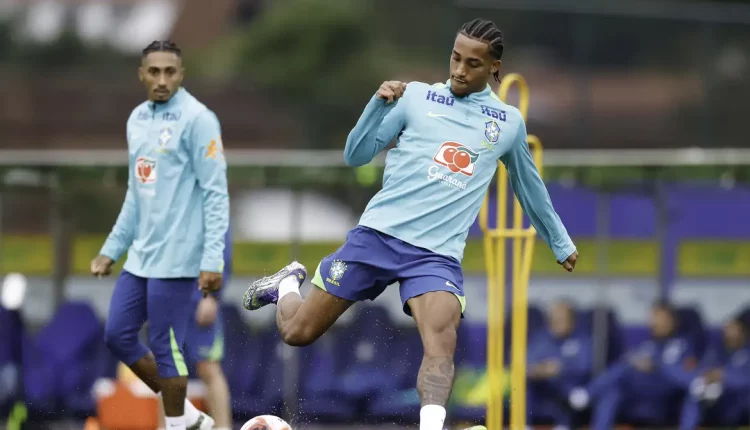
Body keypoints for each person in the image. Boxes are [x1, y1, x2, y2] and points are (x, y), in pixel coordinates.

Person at [242, 18, 577, 430]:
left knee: (441, 344)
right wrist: (376, 105)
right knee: (297, 332)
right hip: (377, 238)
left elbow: (529, 187)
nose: (459, 70)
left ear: (494, 67)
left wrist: (560, 242)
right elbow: (355, 154)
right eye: (455, 58)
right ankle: (286, 285)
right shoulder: (415, 97)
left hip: (435, 257)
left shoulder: (506, 123)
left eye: (472, 63)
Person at [90, 40, 229, 430]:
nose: (162, 79)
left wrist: (212, 260)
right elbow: (136, 194)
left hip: (179, 257)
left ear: (181, 74)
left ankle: (177, 424)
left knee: (166, 349)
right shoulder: (136, 119)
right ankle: (189, 417)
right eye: (154, 71)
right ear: (142, 75)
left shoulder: (199, 119)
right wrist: (112, 249)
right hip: (141, 257)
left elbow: (216, 194)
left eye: (170, 71)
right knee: (118, 335)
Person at [569, 302, 698, 429]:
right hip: (641, 393)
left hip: (669, 394)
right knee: (615, 386)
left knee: (639, 365)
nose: (656, 324)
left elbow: (683, 371)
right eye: (654, 319)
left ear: (672, 322)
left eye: (661, 320)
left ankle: (588, 392)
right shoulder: (648, 345)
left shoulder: (683, 345)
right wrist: (638, 363)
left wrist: (656, 364)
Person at [158, 226, 234, 430]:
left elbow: (221, 249)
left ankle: (223, 427)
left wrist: (213, 296)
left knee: (208, 367)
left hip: (200, 298)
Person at [527, 300, 592, 429]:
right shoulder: (540, 338)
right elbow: (528, 364)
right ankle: (524, 425)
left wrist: (561, 368)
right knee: (524, 383)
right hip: (542, 386)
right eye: (554, 319)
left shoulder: (582, 339)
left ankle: (564, 425)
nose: (557, 323)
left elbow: (585, 367)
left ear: (572, 321)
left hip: (569, 387)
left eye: (562, 319)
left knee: (567, 384)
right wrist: (543, 370)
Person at [678, 315, 749, 429]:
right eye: (727, 329)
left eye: (734, 330)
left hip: (740, 400)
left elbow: (745, 379)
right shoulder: (716, 351)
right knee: (696, 392)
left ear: (744, 331)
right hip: (717, 398)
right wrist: (707, 377)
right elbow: (702, 370)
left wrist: (723, 375)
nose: (729, 334)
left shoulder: (747, 353)